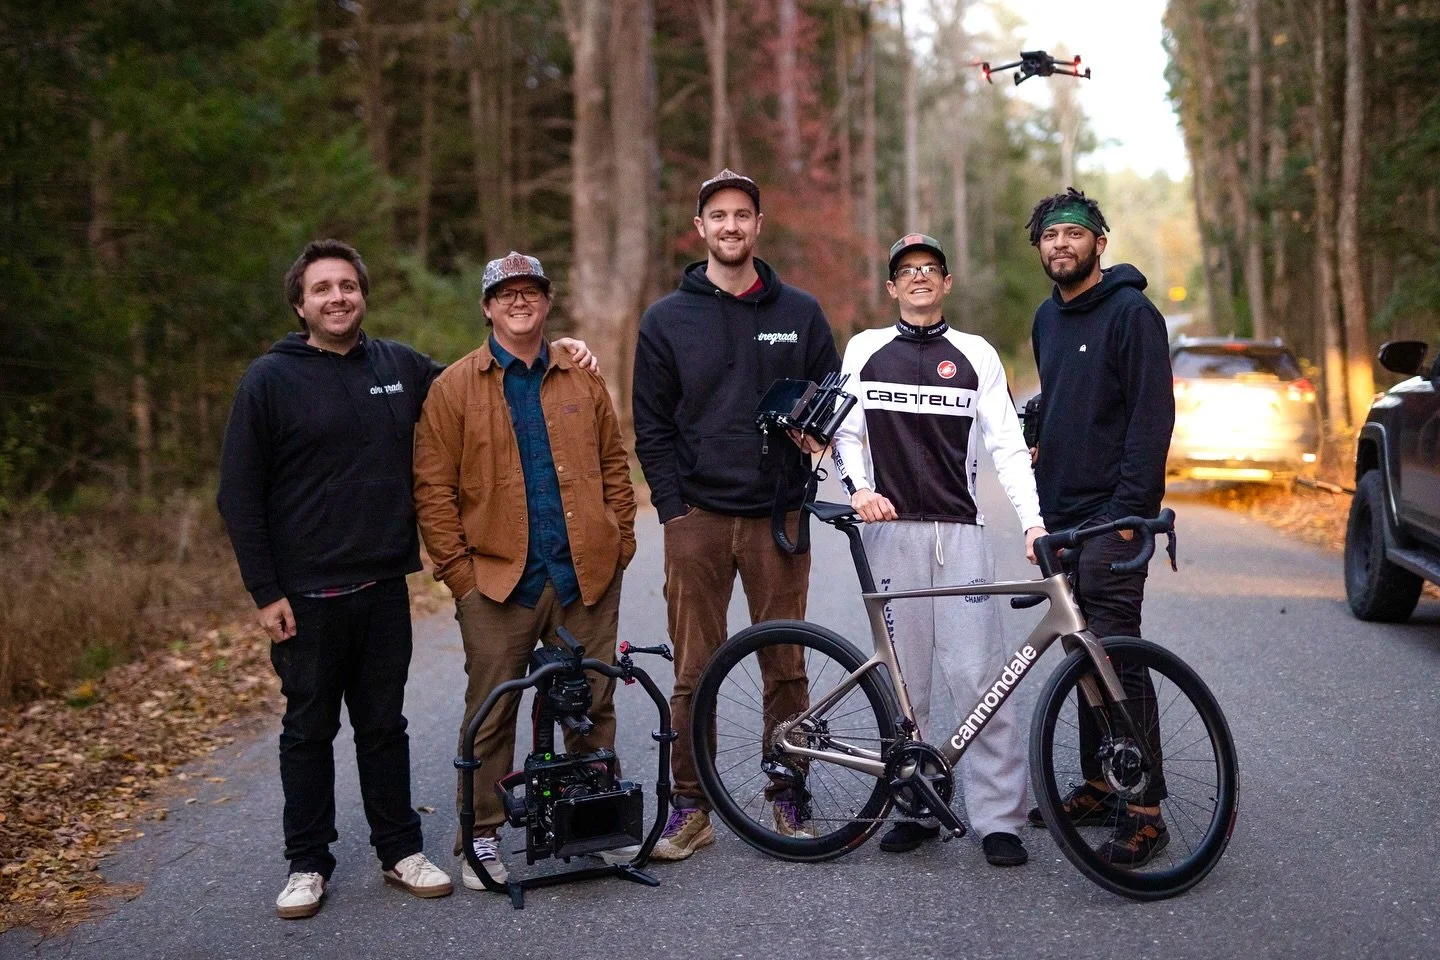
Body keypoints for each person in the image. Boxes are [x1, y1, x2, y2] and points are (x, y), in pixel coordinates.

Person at [217, 239, 596, 918]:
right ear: (300, 304)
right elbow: (239, 496)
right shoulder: (268, 381)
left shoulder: (397, 366)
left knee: (382, 726)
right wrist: (264, 591)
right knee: (307, 729)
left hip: (382, 583)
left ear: (363, 294)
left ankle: (400, 851)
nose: (337, 298)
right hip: (305, 594)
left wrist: (561, 347)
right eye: (322, 289)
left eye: (347, 286)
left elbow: (487, 377)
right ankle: (307, 862)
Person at [632, 169, 840, 861]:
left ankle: (786, 790)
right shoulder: (666, 320)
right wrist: (672, 508)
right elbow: (651, 425)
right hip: (698, 516)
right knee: (695, 667)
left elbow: (828, 401)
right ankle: (691, 806)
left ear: (758, 224)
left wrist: (813, 441)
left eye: (742, 215)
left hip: (777, 516)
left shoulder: (801, 313)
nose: (730, 226)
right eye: (717, 215)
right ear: (700, 227)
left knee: (785, 664)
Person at [412, 252, 637, 889]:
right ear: (487, 307)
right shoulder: (454, 387)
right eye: (505, 294)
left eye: (530, 292)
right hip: (496, 581)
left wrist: (617, 541)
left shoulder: (580, 376)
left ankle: (591, 822)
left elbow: (615, 464)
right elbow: (433, 490)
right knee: (490, 712)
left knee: (591, 701)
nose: (519, 302)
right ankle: (481, 834)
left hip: (583, 575)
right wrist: (459, 575)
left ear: (546, 302)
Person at [831, 233, 1045, 868]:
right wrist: (861, 489)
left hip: (963, 536)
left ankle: (999, 817)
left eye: (930, 270)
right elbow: (844, 433)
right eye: (906, 272)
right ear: (892, 288)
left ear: (946, 284)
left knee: (980, 678)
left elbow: (1006, 444)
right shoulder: (865, 350)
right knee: (906, 682)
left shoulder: (976, 354)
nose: (919, 279)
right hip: (890, 532)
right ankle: (916, 804)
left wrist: (1033, 523)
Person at [1023, 187, 1176, 865]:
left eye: (1074, 234)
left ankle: (1145, 810)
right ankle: (1100, 781)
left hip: (1111, 519)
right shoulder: (1045, 320)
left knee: (1117, 657)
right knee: (1081, 657)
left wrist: (1126, 518)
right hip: (1059, 518)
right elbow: (1064, 401)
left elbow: (1151, 421)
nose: (1062, 244)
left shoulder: (1132, 315)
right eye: (1051, 235)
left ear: (1099, 243)